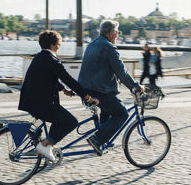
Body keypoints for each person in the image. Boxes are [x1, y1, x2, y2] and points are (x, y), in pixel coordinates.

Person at [18, 30, 98, 161]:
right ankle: (44, 145)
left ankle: (47, 145)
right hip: (41, 104)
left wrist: (63, 90)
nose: (59, 47)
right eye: (59, 44)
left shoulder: (40, 57)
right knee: (71, 122)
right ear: (54, 45)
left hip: (31, 101)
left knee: (59, 117)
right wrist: (87, 97)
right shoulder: (52, 60)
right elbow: (69, 80)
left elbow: (47, 78)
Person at [78, 20, 144, 156]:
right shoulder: (109, 47)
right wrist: (135, 86)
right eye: (117, 32)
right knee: (122, 114)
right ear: (111, 33)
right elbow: (122, 71)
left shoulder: (92, 44)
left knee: (107, 111)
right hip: (99, 90)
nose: (118, 35)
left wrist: (114, 78)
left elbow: (100, 67)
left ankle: (103, 140)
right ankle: (97, 139)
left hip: (87, 89)